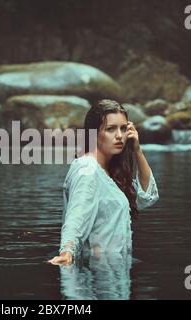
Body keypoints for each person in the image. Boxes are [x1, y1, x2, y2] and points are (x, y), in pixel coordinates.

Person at [48, 99, 159, 266]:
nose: (120, 135)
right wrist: (66, 252)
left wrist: (137, 150)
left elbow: (147, 197)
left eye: (123, 128)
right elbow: (76, 217)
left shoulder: (111, 172)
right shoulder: (87, 169)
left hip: (114, 272)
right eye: (110, 129)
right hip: (96, 275)